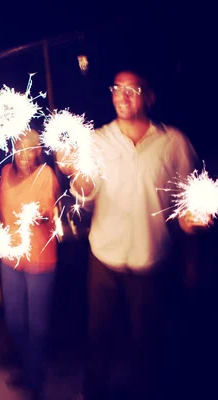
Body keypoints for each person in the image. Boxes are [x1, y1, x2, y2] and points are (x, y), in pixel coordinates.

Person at [58, 70, 203, 400]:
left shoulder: (173, 143)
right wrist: (74, 174)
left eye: (132, 89)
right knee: (98, 337)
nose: (122, 96)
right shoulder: (97, 140)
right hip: (103, 259)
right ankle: (93, 393)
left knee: (147, 343)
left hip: (149, 262)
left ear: (148, 96)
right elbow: (86, 194)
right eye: (116, 89)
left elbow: (189, 204)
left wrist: (192, 258)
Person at [0, 129, 60, 400]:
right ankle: (30, 367)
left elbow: (48, 213)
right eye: (19, 146)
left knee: (37, 325)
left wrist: (45, 217)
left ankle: (34, 381)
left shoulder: (45, 175)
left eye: (29, 148)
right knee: (14, 320)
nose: (22, 153)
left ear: (38, 151)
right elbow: (0, 209)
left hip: (40, 260)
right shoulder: (6, 172)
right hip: (11, 259)